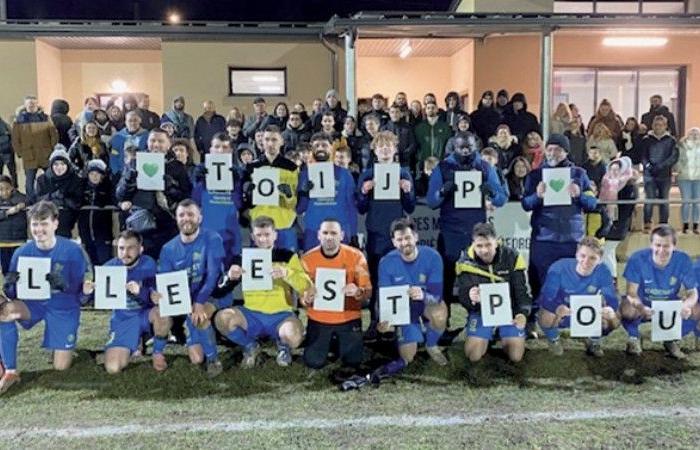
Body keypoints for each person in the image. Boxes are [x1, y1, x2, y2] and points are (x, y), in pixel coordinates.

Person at [0, 201, 91, 394]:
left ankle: (65, 347)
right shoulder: (21, 252)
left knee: (60, 367)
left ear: (55, 224)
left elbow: (82, 295)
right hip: (34, 304)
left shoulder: (72, 250)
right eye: (34, 224)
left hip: (63, 307)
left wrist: (65, 285)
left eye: (44, 224)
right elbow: (12, 294)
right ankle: (10, 370)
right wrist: (10, 285)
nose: (38, 229)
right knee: (5, 312)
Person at [214, 216, 313, 367]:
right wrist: (229, 276)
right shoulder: (243, 258)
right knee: (222, 319)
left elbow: (306, 287)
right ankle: (250, 346)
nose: (263, 240)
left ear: (275, 235)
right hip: (251, 314)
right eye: (259, 235)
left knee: (294, 337)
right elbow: (219, 291)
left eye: (267, 235)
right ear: (253, 236)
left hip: (281, 315)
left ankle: (283, 346)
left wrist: (287, 274)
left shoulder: (287, 256)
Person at [427, 133, 507, 310]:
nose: (465, 152)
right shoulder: (443, 167)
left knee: (480, 278)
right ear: (454, 147)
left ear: (475, 147)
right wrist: (442, 192)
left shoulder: (485, 167)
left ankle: (482, 321)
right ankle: (443, 321)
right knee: (446, 279)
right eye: (461, 148)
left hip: (476, 233)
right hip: (450, 232)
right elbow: (431, 202)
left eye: (468, 148)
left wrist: (492, 192)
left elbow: (502, 199)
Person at [521, 134, 597, 315]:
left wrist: (580, 195)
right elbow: (526, 204)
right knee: (539, 280)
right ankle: (537, 317)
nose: (552, 153)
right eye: (549, 149)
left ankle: (576, 318)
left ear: (566, 152)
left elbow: (593, 204)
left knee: (575, 279)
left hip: (572, 238)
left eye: (557, 149)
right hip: (544, 238)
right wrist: (537, 196)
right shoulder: (535, 175)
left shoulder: (579, 174)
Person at [368, 218, 448, 385]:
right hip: (404, 311)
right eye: (399, 239)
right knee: (407, 357)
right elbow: (384, 298)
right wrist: (384, 320)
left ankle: (432, 344)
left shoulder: (432, 257)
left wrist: (423, 295)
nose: (405, 243)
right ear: (394, 242)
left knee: (439, 312)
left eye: (408, 238)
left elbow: (437, 296)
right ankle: (413, 335)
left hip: (425, 305)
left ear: (416, 237)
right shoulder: (386, 262)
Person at [153, 200, 226, 377]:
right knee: (195, 358)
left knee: (199, 316)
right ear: (176, 219)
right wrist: (158, 294)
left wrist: (199, 302)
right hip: (186, 301)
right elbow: (166, 282)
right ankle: (157, 352)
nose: (186, 219)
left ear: (199, 218)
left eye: (191, 214)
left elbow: (213, 276)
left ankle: (214, 360)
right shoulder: (168, 249)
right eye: (182, 215)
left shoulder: (212, 238)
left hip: (212, 295)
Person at [356, 131, 416, 339]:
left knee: (398, 279)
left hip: (396, 236)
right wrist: (363, 193)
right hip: (375, 233)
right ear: (374, 150)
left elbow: (411, 206)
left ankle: (398, 323)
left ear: (395, 149)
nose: (384, 149)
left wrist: (407, 191)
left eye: (388, 146)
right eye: (381, 146)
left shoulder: (404, 173)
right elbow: (361, 208)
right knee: (374, 278)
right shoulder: (367, 174)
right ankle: (375, 321)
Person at [83, 230, 168, 373]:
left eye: (130, 248)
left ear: (140, 249)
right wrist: (86, 292)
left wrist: (140, 291)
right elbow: (87, 299)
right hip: (123, 320)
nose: (125, 252)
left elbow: (157, 297)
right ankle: (133, 342)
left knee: (163, 314)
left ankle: (157, 353)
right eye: (121, 248)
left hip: (145, 314)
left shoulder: (149, 264)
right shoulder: (108, 268)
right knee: (113, 368)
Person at [300, 219, 371, 371]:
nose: (329, 237)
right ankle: (330, 342)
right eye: (325, 233)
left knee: (353, 361)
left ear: (342, 235)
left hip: (348, 317)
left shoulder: (356, 256)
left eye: (334, 233)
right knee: (313, 362)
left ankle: (338, 342)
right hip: (319, 318)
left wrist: (358, 291)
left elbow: (368, 291)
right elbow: (301, 296)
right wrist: (306, 299)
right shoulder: (307, 259)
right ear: (319, 235)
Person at [457, 223, 531, 363]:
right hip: (481, 313)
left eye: (488, 245)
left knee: (515, 356)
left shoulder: (512, 256)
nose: (484, 250)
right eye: (479, 246)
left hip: (510, 312)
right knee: (473, 355)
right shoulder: (465, 261)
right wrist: (470, 297)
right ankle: (484, 334)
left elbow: (522, 292)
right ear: (473, 244)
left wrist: (522, 313)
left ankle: (502, 334)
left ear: (496, 242)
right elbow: (462, 296)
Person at [621, 225, 700, 359]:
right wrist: (641, 307)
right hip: (644, 301)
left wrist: (686, 305)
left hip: (668, 303)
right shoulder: (637, 258)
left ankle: (671, 338)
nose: (661, 250)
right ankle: (634, 337)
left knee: (696, 309)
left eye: (666, 246)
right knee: (627, 307)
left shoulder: (683, 260)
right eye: (658, 245)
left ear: (674, 246)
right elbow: (631, 293)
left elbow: (693, 293)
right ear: (651, 244)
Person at [116, 128, 192, 259]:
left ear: (169, 144)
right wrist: (129, 179)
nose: (156, 144)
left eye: (160, 141)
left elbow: (186, 196)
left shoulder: (177, 166)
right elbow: (120, 195)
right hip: (142, 225)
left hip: (168, 224)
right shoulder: (135, 162)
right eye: (152, 140)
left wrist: (170, 187)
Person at [537, 237, 620, 357]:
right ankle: (553, 339)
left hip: (587, 314)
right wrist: (557, 307)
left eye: (592, 258)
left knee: (614, 318)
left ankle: (594, 340)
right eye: (583, 256)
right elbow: (546, 297)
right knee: (545, 315)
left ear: (600, 260)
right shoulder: (559, 268)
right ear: (576, 254)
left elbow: (612, 298)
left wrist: (611, 309)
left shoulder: (604, 271)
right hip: (563, 313)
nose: (586, 261)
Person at [242, 125, 300, 251]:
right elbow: (246, 202)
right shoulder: (252, 167)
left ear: (281, 141)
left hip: (284, 224)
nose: (270, 143)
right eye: (267, 139)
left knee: (287, 268)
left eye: (274, 140)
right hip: (260, 226)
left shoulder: (292, 167)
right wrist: (248, 194)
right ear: (262, 141)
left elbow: (295, 202)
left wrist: (289, 195)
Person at [296, 133, 358, 251]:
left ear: (331, 148)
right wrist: (304, 193)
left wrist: (353, 233)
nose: (320, 148)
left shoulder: (345, 174)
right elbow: (300, 209)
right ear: (311, 149)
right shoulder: (304, 175)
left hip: (339, 232)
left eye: (324, 145)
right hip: (313, 232)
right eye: (316, 145)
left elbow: (351, 206)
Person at [191, 132, 243, 258]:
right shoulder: (200, 171)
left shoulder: (238, 172)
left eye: (225, 147)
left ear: (230, 150)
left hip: (229, 232)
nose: (220, 151)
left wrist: (237, 182)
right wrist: (197, 181)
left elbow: (241, 204)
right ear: (211, 150)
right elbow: (194, 202)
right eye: (217, 147)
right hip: (206, 232)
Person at [11, 95, 58, 198]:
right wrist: (20, 153)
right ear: (25, 105)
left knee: (51, 178)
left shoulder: (46, 118)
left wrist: (52, 150)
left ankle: (51, 199)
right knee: (29, 182)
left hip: (45, 154)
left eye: (33, 103)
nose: (31, 106)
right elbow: (15, 140)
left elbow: (53, 135)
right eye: (29, 104)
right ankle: (30, 203)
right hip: (29, 155)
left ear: (37, 104)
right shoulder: (18, 121)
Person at [34, 145, 83, 238]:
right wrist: (52, 197)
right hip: (46, 218)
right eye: (56, 164)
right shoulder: (42, 180)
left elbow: (78, 202)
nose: (59, 167)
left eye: (62, 164)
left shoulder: (75, 180)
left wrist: (64, 199)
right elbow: (37, 199)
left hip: (66, 220)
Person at [639, 115, 678, 232]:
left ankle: (663, 224)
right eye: (656, 125)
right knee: (649, 199)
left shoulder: (671, 140)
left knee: (664, 200)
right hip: (649, 175)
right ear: (652, 126)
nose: (658, 127)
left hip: (664, 175)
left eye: (661, 125)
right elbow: (643, 156)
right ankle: (647, 223)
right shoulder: (646, 139)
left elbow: (673, 157)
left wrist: (661, 166)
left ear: (665, 126)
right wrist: (648, 166)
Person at [78, 159, 114, 265]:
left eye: (97, 174)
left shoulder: (107, 188)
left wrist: (100, 199)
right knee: (91, 262)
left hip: (103, 234)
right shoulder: (82, 188)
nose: (94, 176)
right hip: (86, 233)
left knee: (105, 261)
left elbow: (113, 200)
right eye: (92, 173)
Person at [674, 127, 700, 234]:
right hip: (684, 177)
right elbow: (677, 159)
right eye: (692, 132)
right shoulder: (681, 146)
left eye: (696, 133)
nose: (694, 134)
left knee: (697, 203)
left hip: (698, 178)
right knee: (686, 201)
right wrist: (679, 168)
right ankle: (685, 224)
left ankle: (695, 224)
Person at [0, 175, 26, 274]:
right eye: (1, 189)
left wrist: (21, 205)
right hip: (2, 242)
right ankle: (7, 289)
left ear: (12, 187)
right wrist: (7, 213)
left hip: (19, 240)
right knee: (6, 270)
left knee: (20, 269)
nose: (4, 192)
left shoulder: (21, 198)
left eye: (7, 188)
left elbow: (30, 200)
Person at [414, 102, 451, 171]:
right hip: (424, 163)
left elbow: (449, 144)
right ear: (425, 111)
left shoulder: (445, 127)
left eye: (433, 108)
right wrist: (419, 157)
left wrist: (445, 157)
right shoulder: (419, 127)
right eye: (428, 108)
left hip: (441, 162)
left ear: (437, 110)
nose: (430, 110)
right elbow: (416, 145)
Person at [382, 104, 417, 173]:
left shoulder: (408, 127)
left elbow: (413, 144)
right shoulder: (384, 129)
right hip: (388, 163)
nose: (394, 114)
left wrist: (404, 155)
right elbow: (381, 145)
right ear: (389, 114)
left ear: (401, 114)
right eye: (392, 112)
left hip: (404, 163)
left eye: (397, 112)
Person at [0, 115, 17, 187]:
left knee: (12, 172)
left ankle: (14, 188)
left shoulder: (3, 124)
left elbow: (9, 136)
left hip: (7, 151)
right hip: (7, 151)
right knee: (12, 172)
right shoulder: (5, 124)